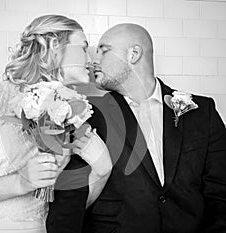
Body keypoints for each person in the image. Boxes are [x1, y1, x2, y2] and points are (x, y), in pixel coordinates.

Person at [0, 15, 111, 233]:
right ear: (54, 45)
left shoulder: (73, 115)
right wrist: (19, 182)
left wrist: (102, 170)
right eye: (83, 47)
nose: (89, 59)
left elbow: (67, 205)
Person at [47, 23, 226, 233]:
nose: (94, 60)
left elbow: (220, 194)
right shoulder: (89, 115)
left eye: (104, 50)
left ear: (134, 54)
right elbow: (68, 203)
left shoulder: (201, 112)